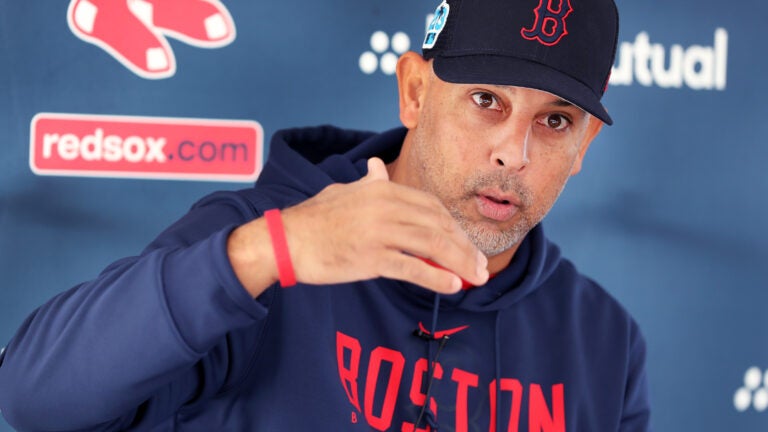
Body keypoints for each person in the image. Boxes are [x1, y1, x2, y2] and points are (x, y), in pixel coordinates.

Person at [0, 0, 651, 430]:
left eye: (555, 121)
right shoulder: (262, 240)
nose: (514, 153)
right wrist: (268, 252)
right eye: (486, 100)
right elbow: (32, 399)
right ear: (415, 92)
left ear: (583, 145)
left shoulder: (603, 340)